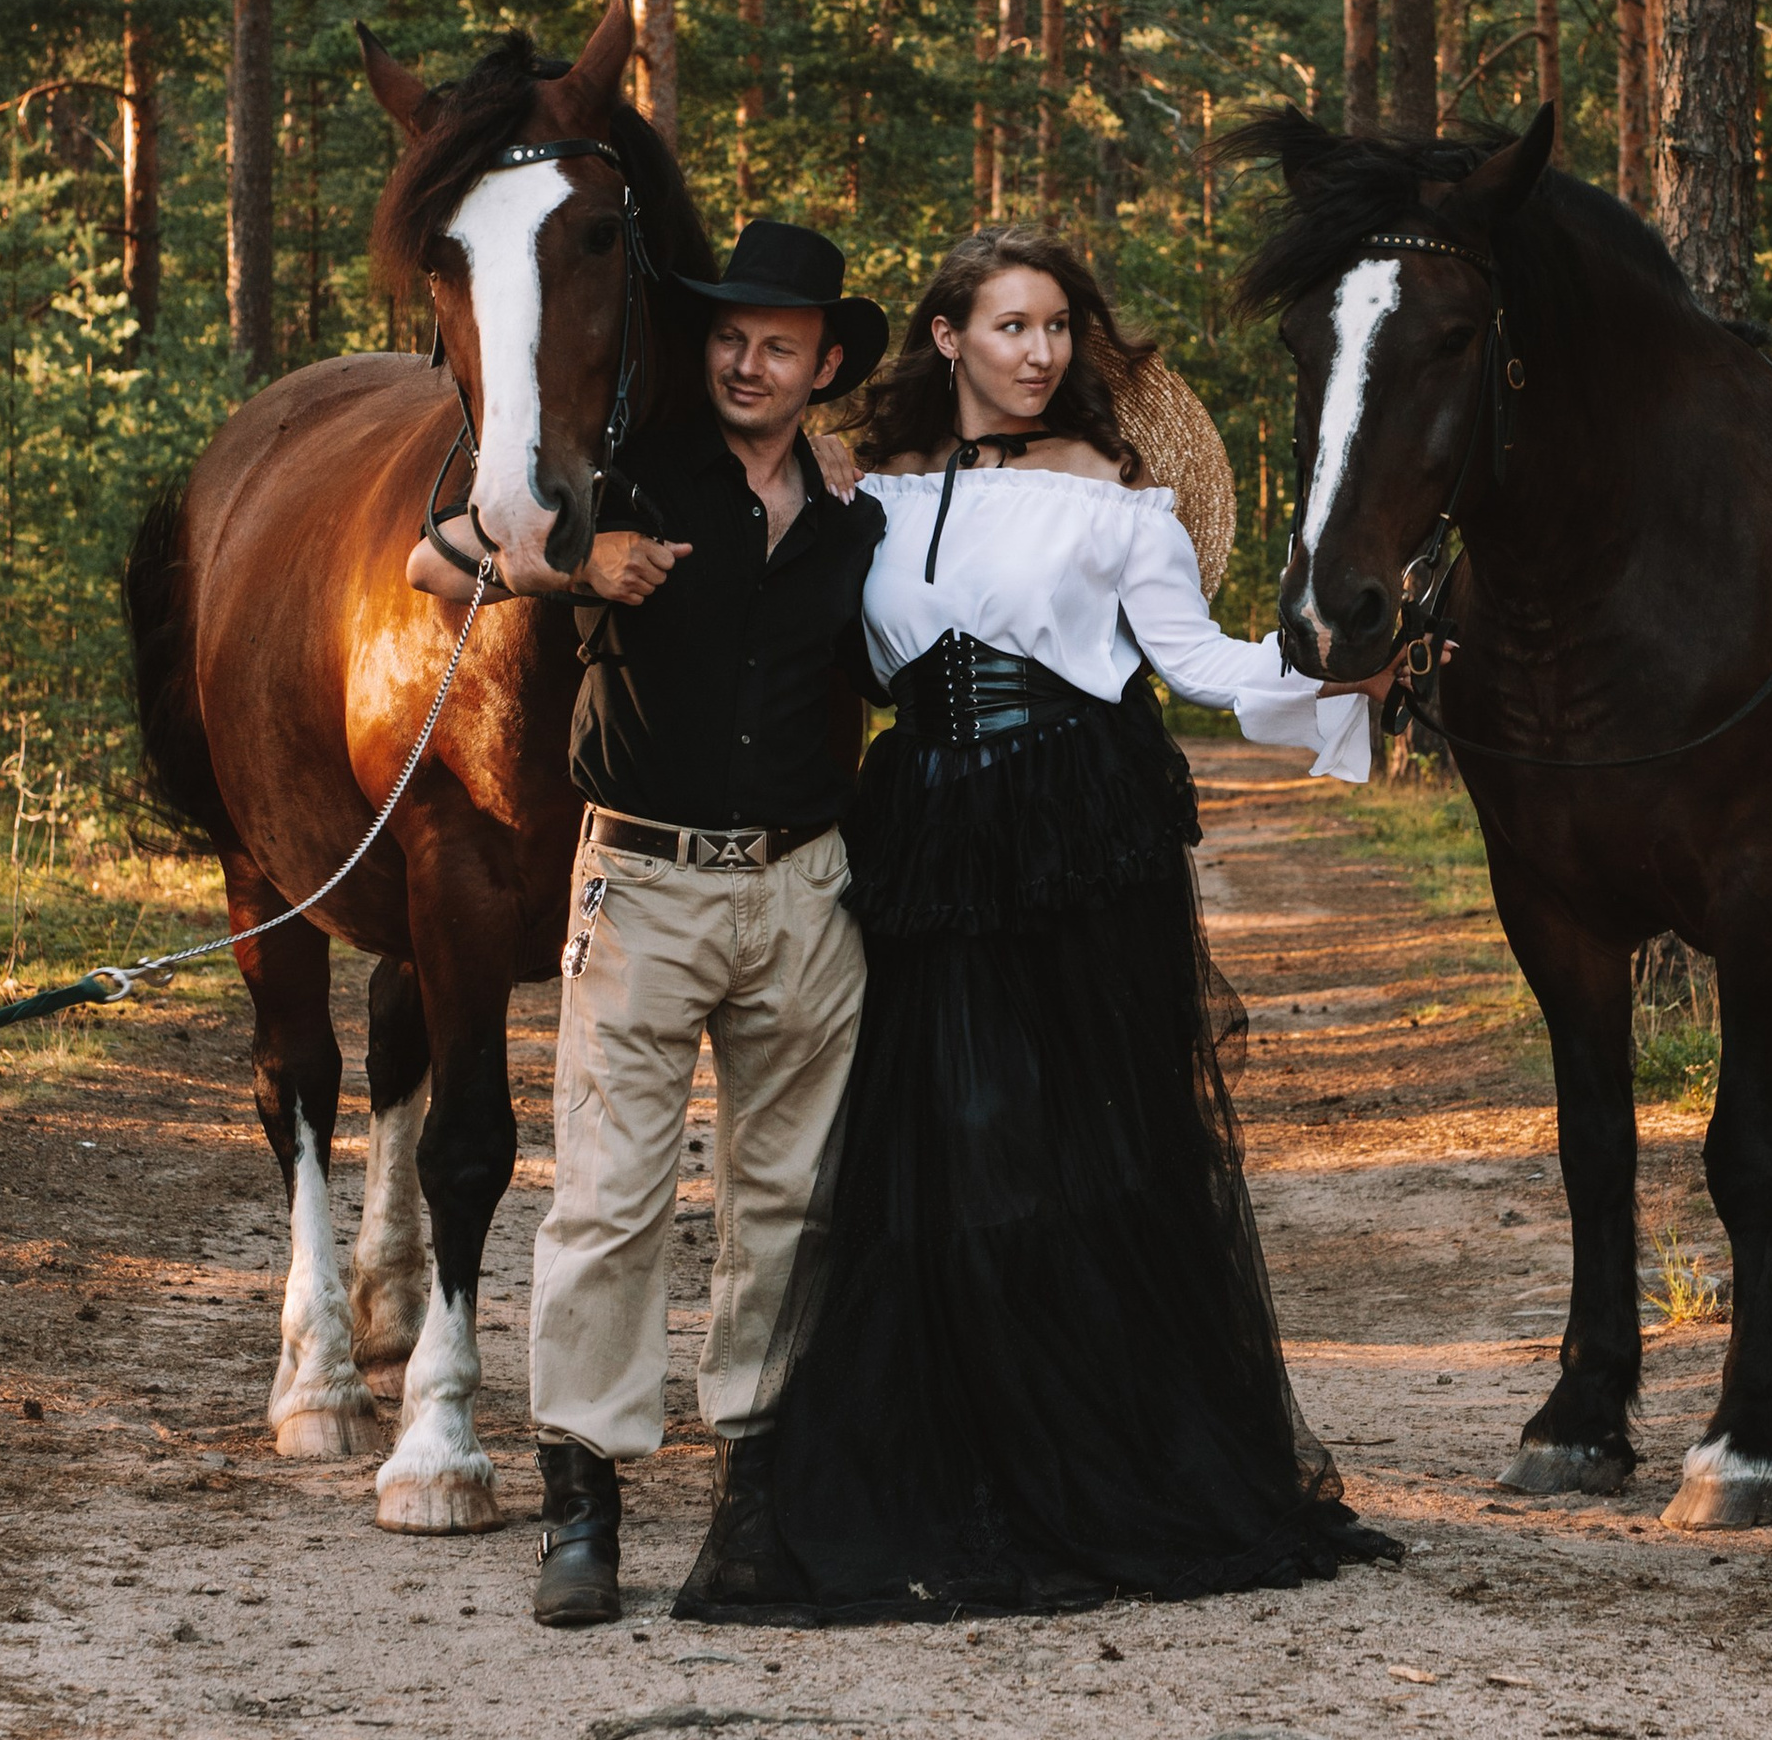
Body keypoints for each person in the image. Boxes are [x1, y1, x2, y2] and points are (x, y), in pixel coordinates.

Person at [674, 222, 1398, 1628]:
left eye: (1058, 328)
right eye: (1011, 325)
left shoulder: (1120, 501)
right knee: (939, 1143)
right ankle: (960, 1461)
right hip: (926, 828)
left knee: (1081, 1143)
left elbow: (1192, 666)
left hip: (1076, 827)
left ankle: (1097, 1456)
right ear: (946, 337)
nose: (1040, 352)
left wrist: (1340, 679)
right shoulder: (866, 492)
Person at [409, 217, 888, 1627]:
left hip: (807, 890)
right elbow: (437, 562)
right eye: (731, 338)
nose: (749, 362)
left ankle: (754, 1490)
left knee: (787, 1200)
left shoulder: (859, 512)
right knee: (611, 1196)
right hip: (645, 883)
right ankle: (584, 1503)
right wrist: (576, 567)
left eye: (779, 344)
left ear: (825, 364)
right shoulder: (628, 473)